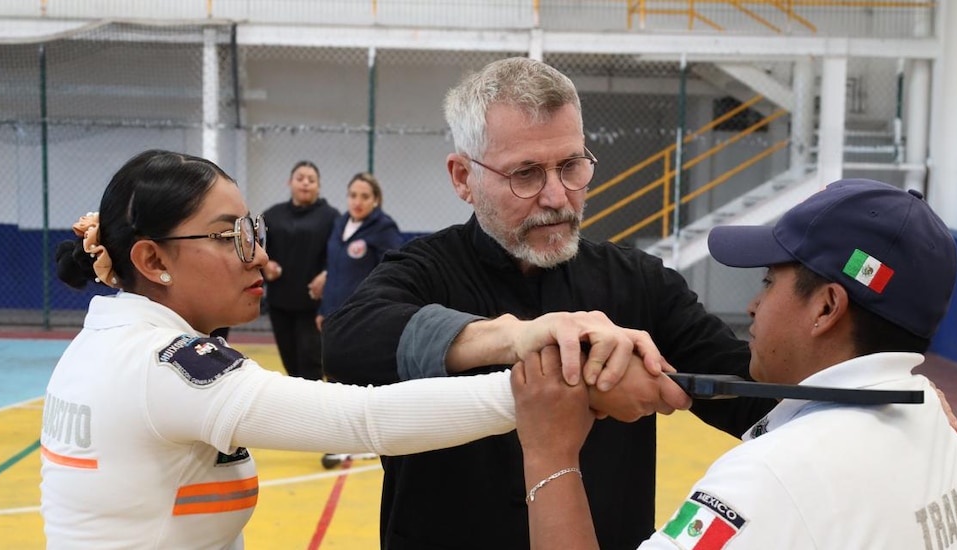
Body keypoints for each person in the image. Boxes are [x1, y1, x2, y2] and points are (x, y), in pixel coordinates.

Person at [41, 149, 623, 549]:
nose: (256, 257)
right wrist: (540, 388)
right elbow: (365, 419)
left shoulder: (106, 342)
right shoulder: (163, 367)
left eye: (254, 232)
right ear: (151, 260)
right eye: (231, 237)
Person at [322, 56, 775, 550]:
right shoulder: (424, 270)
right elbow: (347, 343)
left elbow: (752, 398)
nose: (557, 196)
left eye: (571, 166)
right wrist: (515, 337)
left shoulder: (640, 283)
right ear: (462, 178)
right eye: (526, 173)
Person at [517, 178, 957, 549]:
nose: (753, 305)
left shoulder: (770, 477)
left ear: (826, 308)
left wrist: (550, 454)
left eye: (769, 282)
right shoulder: (934, 421)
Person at [260, 160, 338, 380]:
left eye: (311, 180)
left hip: (313, 306)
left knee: (310, 362)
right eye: (300, 178)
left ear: (319, 186)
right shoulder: (272, 215)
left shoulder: (331, 217)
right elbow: (257, 249)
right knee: (290, 362)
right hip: (280, 303)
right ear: (289, 182)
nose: (305, 183)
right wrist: (266, 264)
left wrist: (326, 274)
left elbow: (338, 255)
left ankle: (312, 410)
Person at [315, 171, 403, 332]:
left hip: (363, 317)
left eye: (365, 196)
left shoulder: (384, 228)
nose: (358, 202)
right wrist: (324, 310)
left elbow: (393, 272)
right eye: (353, 195)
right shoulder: (339, 224)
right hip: (333, 314)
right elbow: (333, 270)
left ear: (375, 200)